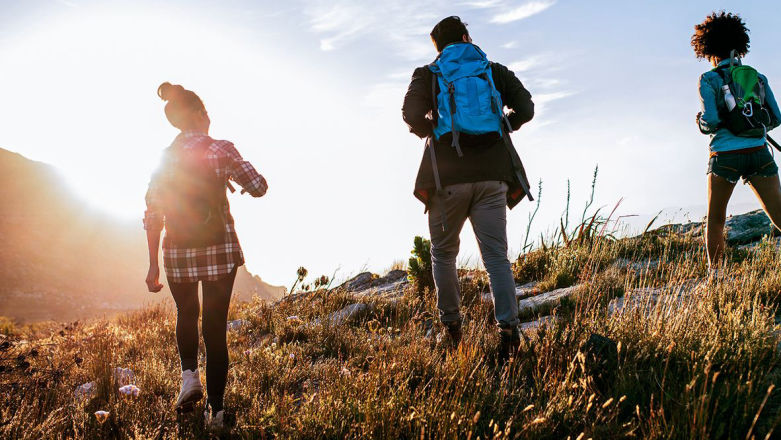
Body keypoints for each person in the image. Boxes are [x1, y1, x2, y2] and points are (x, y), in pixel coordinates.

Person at [402, 16, 534, 362]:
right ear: (465, 37)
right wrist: (505, 124)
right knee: (495, 258)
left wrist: (432, 130)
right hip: (492, 176)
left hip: (446, 177)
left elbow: (410, 113)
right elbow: (527, 108)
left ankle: (453, 332)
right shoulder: (492, 70)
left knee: (443, 255)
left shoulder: (429, 73)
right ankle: (508, 333)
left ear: (439, 47)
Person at [144, 82, 268, 432]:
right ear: (199, 115)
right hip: (218, 250)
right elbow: (258, 186)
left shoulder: (163, 160)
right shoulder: (221, 149)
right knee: (215, 329)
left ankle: (188, 378)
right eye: (207, 112)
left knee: (186, 313)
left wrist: (153, 264)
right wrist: (240, 177)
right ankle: (217, 412)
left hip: (177, 254)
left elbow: (152, 215)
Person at [692, 12, 781, 273]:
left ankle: (716, 278)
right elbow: (775, 118)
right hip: (758, 152)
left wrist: (701, 124)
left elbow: (710, 120)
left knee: (716, 219)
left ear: (707, 48)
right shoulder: (757, 78)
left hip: (725, 157)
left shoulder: (709, 80)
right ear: (739, 45)